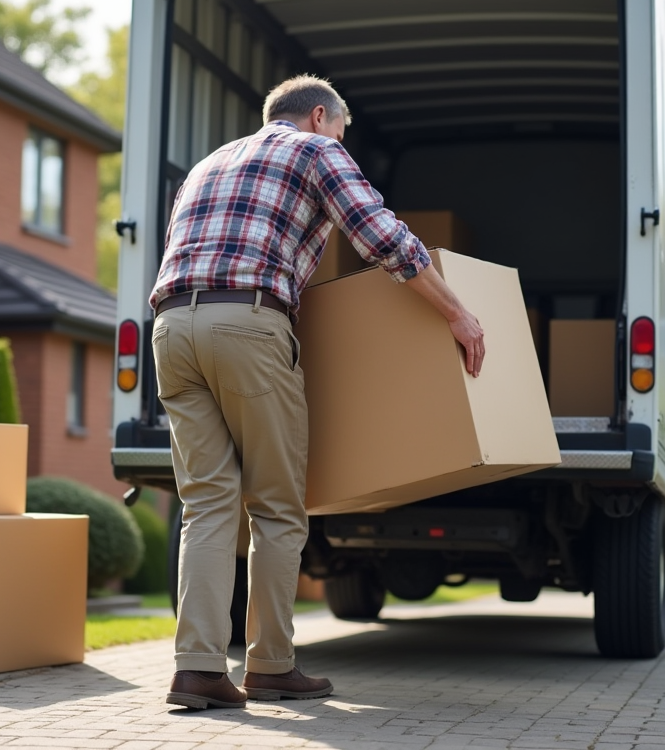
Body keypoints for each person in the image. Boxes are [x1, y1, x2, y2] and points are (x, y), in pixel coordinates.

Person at [151, 74, 485, 710]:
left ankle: (197, 669)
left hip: (172, 329)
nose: (342, 142)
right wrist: (456, 313)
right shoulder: (314, 150)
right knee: (277, 505)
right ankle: (271, 667)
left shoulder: (208, 163)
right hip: (247, 324)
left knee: (207, 505)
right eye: (341, 130)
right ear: (319, 117)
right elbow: (381, 236)